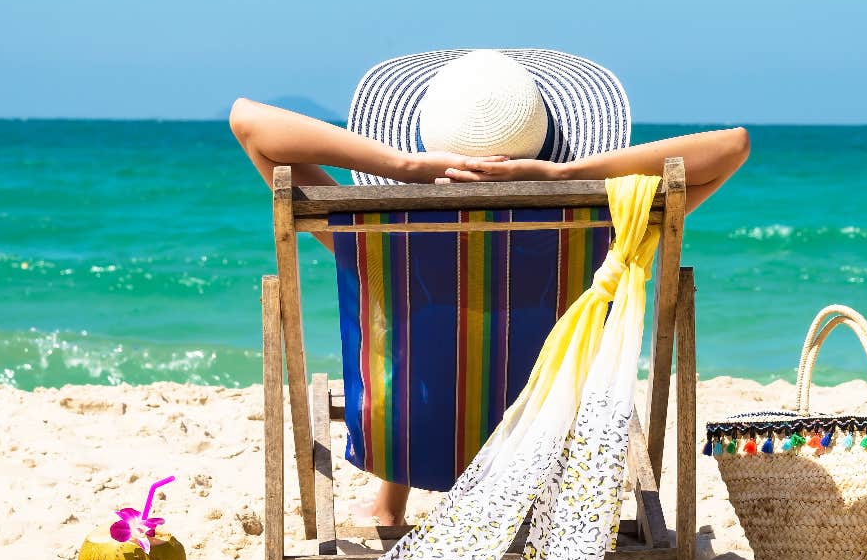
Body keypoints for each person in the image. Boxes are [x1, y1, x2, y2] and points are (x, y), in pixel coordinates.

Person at [229, 49, 748, 525]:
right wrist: (561, 177)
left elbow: (248, 122)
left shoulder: (376, 236)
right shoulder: (601, 235)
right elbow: (731, 147)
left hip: (411, 439)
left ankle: (390, 504)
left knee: (420, 336)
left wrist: (406, 167)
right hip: (540, 447)